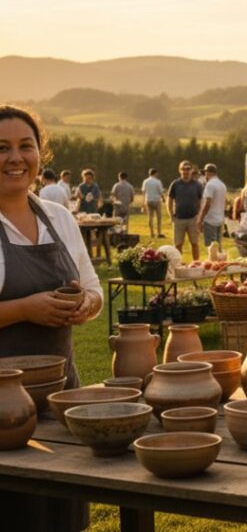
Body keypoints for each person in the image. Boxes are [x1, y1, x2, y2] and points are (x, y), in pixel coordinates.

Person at [0, 105, 103, 531]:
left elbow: (94, 289)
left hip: (62, 400)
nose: (15, 158)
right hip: (1, 412)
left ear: (41, 154)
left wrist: (84, 305)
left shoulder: (58, 218)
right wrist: (24, 309)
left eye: (26, 146)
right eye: (1, 148)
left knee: (61, 512)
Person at [167, 160, 203, 260]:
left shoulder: (197, 185)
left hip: (193, 219)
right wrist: (171, 216)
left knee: (195, 244)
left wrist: (199, 217)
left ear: (192, 170)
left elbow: (201, 202)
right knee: (178, 245)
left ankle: (196, 264)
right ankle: (178, 264)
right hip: (179, 219)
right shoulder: (175, 184)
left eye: (188, 169)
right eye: (183, 169)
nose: (186, 171)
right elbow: (169, 200)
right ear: (180, 170)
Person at [196, 164, 226, 249]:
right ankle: (220, 262)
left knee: (211, 248)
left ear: (208, 173)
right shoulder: (222, 184)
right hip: (220, 219)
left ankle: (214, 262)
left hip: (210, 220)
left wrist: (200, 219)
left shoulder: (210, 185)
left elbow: (207, 203)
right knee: (218, 246)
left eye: (204, 173)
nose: (204, 175)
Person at [141, 168, 165, 238]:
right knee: (159, 217)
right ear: (155, 173)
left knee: (150, 217)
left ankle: (151, 233)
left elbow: (143, 191)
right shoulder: (158, 181)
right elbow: (160, 191)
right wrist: (163, 198)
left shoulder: (145, 181)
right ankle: (159, 232)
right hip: (156, 200)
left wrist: (143, 202)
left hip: (148, 200)